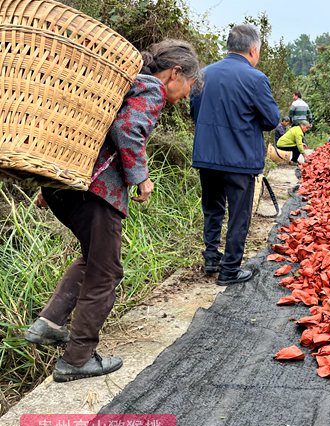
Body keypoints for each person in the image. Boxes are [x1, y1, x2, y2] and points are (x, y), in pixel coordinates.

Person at [24, 40, 202, 382]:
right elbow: (126, 130)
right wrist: (141, 177)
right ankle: (77, 358)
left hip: (65, 186)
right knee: (106, 273)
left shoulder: (125, 83)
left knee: (94, 258)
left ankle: (48, 323)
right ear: (175, 73)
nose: (184, 95)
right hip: (97, 191)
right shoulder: (151, 89)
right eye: (188, 86)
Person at [190, 24, 280, 285]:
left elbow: (195, 112)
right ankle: (229, 270)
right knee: (238, 214)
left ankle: (211, 258)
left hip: (208, 156)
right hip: (239, 160)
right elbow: (272, 119)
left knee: (212, 208)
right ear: (254, 49)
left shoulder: (204, 74)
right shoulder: (255, 78)